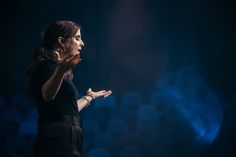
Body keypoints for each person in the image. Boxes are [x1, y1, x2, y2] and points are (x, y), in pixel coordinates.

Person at [27, 20, 112, 157]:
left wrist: (90, 97)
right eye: (77, 38)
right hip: (57, 135)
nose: (82, 43)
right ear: (61, 41)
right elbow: (47, 95)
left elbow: (69, 109)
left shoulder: (58, 71)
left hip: (69, 133)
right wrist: (61, 70)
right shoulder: (47, 66)